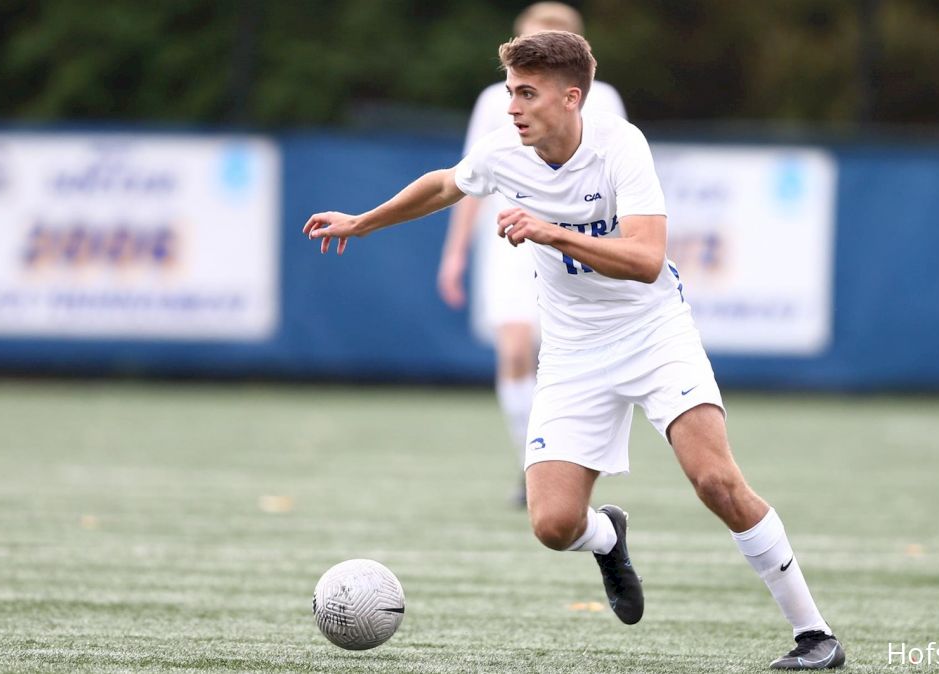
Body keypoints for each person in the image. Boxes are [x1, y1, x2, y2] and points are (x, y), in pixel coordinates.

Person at [303, 30, 846, 670]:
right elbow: (445, 185)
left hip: (653, 335)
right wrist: (362, 221)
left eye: (527, 94)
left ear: (572, 97)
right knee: (554, 525)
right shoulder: (505, 151)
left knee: (717, 481)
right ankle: (607, 536)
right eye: (510, 92)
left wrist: (550, 230)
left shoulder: (622, 146)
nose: (513, 108)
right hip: (572, 352)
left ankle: (815, 635)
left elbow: (646, 260)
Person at [437, 2, 626, 507]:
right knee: (515, 349)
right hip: (513, 241)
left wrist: (613, 249)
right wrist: (454, 254)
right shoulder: (493, 103)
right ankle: (532, 463)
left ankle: (569, 462)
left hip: (576, 244)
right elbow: (462, 181)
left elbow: (619, 180)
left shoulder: (603, 99)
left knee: (567, 359)